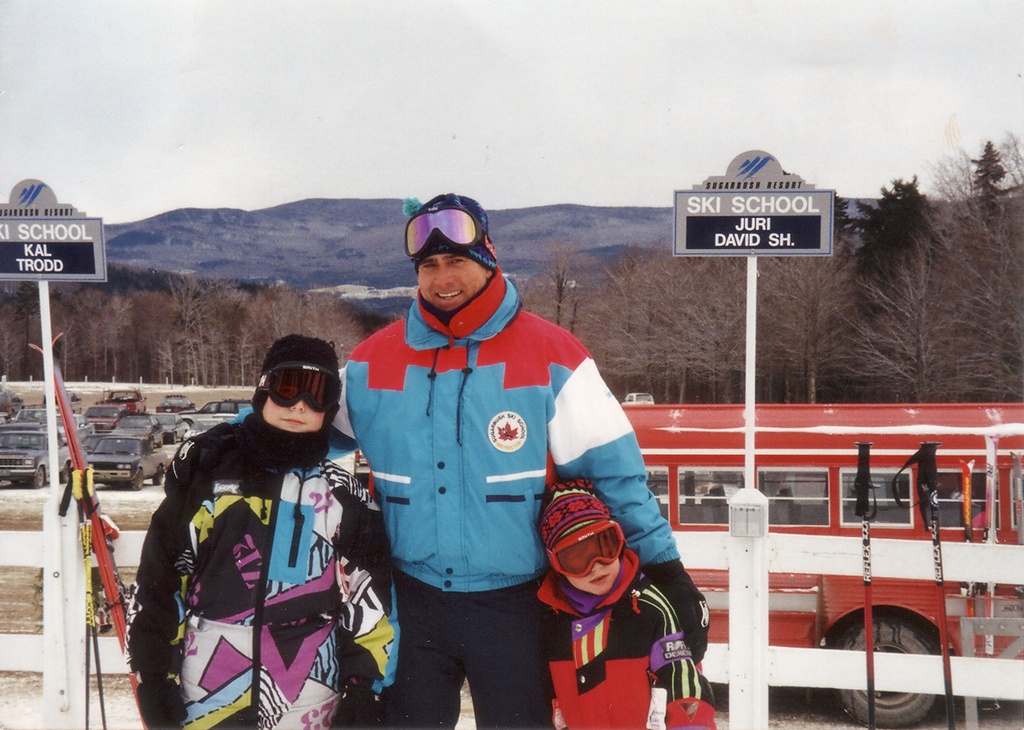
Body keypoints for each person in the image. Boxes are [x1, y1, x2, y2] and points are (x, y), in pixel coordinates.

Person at [333, 193, 709, 727]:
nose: (443, 279)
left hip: (519, 608)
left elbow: (616, 476)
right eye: (430, 265)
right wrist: (229, 446)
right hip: (410, 605)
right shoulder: (373, 362)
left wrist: (666, 570)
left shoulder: (552, 354)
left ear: (488, 257)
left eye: (457, 261)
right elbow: (299, 431)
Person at [128, 335, 394, 729]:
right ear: (264, 389)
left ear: (330, 409)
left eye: (317, 394)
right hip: (207, 694)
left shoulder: (345, 496)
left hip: (309, 701)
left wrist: (363, 689)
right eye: (288, 388)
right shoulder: (209, 478)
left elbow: (369, 599)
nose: (300, 405)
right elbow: (161, 581)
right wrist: (153, 677)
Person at [538, 479, 716, 729]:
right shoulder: (553, 620)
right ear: (556, 565)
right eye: (577, 559)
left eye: (605, 546)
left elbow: (681, 676)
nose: (596, 566)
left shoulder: (648, 607)